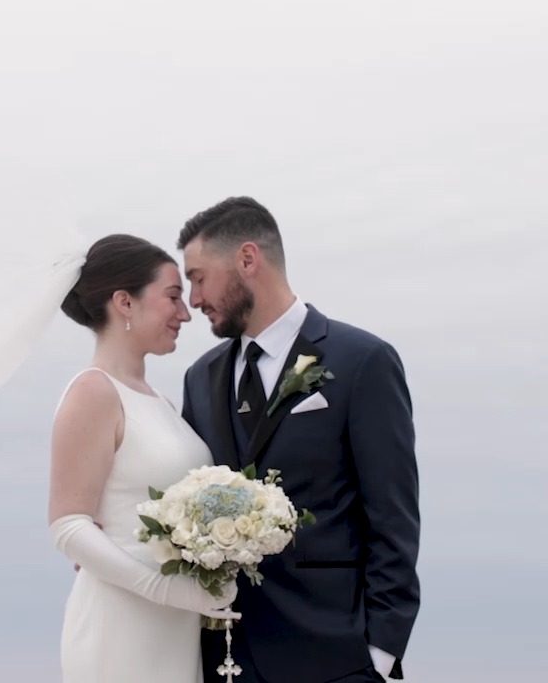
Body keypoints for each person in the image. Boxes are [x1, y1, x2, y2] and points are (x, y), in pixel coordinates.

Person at [179, 198, 420, 683]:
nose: (194, 299)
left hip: (335, 657)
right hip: (226, 658)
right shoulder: (199, 377)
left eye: (199, 278)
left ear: (248, 259)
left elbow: (393, 516)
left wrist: (379, 652)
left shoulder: (362, 361)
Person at [48, 234, 237, 683]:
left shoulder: (162, 402)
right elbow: (68, 525)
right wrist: (166, 589)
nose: (185, 313)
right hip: (121, 626)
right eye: (172, 296)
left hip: (174, 629)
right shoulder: (94, 391)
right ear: (124, 302)